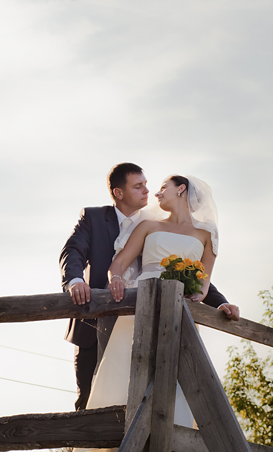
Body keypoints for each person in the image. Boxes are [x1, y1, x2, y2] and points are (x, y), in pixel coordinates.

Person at [69, 174, 223, 452]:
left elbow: (204, 282)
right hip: (141, 302)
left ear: (181, 189)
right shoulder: (149, 226)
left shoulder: (207, 234)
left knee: (173, 381)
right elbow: (120, 262)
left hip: (179, 311)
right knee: (126, 374)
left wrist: (208, 299)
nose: (156, 192)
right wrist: (115, 278)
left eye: (163, 187)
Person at [60, 163, 239, 411]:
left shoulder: (177, 227)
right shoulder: (98, 218)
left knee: (166, 386)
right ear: (119, 193)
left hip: (169, 311)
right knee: (93, 396)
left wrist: (218, 302)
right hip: (99, 320)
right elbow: (74, 252)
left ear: (181, 190)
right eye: (139, 186)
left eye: (150, 185)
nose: (149, 191)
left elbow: (197, 274)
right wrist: (79, 281)